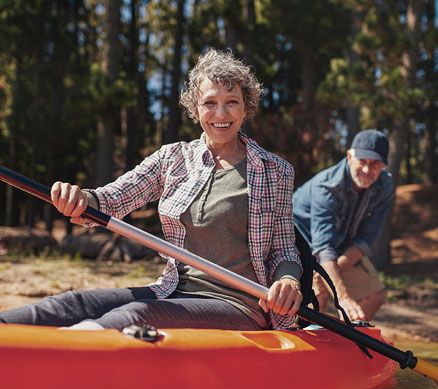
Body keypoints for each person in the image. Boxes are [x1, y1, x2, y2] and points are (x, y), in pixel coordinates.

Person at [0, 48, 303, 331]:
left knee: (133, 317)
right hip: (173, 291)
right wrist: (83, 199)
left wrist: (289, 280)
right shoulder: (173, 158)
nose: (221, 114)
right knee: (71, 303)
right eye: (210, 102)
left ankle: (64, 359)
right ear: (195, 110)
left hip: (239, 304)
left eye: (232, 102)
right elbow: (113, 199)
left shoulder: (274, 170)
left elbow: (284, 249)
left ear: (246, 108)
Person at [293, 129, 394, 322]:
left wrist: (326, 277)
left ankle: (346, 343)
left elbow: (364, 240)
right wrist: (343, 296)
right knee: (316, 299)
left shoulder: (385, 185)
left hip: (338, 250)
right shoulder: (327, 187)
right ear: (349, 156)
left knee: (376, 295)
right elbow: (323, 248)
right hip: (299, 246)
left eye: (375, 164)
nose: (367, 170)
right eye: (362, 161)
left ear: (383, 166)